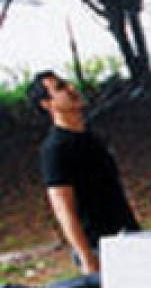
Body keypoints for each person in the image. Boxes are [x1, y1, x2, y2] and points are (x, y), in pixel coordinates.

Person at [28, 71, 140, 274]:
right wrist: (87, 257)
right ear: (47, 104)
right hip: (98, 247)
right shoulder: (55, 150)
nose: (71, 89)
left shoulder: (93, 138)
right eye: (60, 88)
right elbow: (64, 210)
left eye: (68, 84)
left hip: (128, 236)